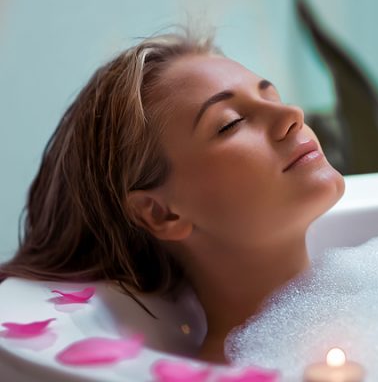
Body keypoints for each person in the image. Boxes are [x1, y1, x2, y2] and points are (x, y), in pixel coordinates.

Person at [0, 30, 345, 362]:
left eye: (273, 97)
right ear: (161, 213)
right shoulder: (236, 372)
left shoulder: (372, 304)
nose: (292, 115)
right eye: (231, 122)